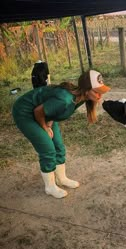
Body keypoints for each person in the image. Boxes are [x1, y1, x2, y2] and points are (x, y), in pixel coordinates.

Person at [12, 69, 110, 199]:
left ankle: (61, 179)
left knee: (58, 146)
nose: (99, 96)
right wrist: (45, 127)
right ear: (86, 89)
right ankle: (50, 187)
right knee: (47, 148)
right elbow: (38, 111)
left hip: (44, 112)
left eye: (100, 92)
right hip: (25, 112)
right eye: (97, 92)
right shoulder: (65, 99)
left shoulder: (80, 97)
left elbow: (51, 107)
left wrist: (50, 120)